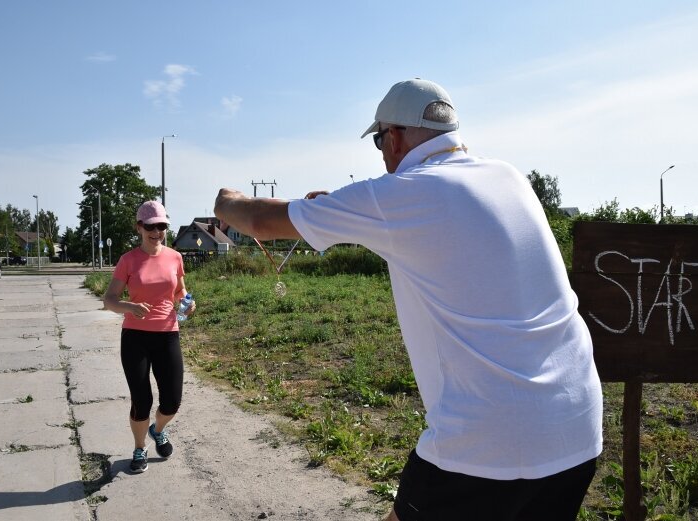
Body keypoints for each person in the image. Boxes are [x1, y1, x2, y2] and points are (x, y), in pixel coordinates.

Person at [214, 79, 603, 520]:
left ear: (394, 137)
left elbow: (261, 221)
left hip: (489, 437)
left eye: (379, 140)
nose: (382, 153)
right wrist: (348, 214)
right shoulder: (508, 177)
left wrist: (227, 200)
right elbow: (437, 239)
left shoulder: (399, 194)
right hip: (576, 425)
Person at [103, 200, 195, 473]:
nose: (157, 232)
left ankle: (158, 430)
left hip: (168, 334)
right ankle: (139, 447)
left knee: (172, 401)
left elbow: (180, 293)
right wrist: (129, 307)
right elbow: (109, 299)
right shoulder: (128, 260)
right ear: (139, 227)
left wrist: (188, 305)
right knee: (141, 401)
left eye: (162, 226)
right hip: (135, 337)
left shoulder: (174, 258)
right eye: (151, 226)